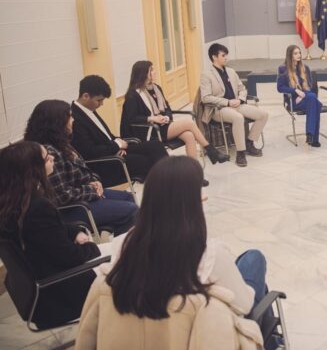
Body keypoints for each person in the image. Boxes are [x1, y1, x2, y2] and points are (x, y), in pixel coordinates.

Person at [76, 157, 278, 349]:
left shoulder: (122, 245)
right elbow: (244, 306)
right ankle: (273, 342)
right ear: (192, 201)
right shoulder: (210, 254)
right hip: (197, 335)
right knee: (254, 259)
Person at [0, 141, 102, 328]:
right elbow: (69, 257)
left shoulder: (12, 203)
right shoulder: (37, 207)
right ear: (32, 170)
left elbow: (47, 231)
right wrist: (92, 248)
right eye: (47, 158)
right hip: (59, 295)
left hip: (38, 288)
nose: (53, 158)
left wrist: (74, 232)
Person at [25, 100, 137, 236]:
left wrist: (95, 180)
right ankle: (121, 241)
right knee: (131, 210)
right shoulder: (48, 153)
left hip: (84, 196)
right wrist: (92, 190)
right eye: (70, 116)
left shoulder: (62, 143)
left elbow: (84, 168)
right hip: (73, 208)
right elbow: (62, 196)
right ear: (57, 123)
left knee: (128, 198)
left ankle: (115, 235)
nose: (73, 120)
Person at [120, 60, 229, 165]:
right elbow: (131, 118)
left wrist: (167, 117)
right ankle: (211, 151)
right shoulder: (133, 95)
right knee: (189, 123)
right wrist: (152, 118)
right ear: (144, 74)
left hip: (162, 125)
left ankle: (194, 170)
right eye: (151, 70)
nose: (155, 72)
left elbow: (167, 108)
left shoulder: (156, 88)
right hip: (149, 131)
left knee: (189, 136)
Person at [71, 75, 168, 182]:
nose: (101, 104)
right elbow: (89, 152)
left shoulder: (89, 109)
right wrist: (116, 146)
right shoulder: (75, 118)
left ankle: (171, 179)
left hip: (113, 151)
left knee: (156, 145)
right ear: (85, 96)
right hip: (105, 163)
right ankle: (169, 183)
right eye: (99, 100)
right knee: (148, 161)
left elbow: (106, 136)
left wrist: (118, 144)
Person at [201, 43, 270, 167]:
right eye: (223, 55)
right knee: (238, 118)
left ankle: (249, 143)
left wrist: (241, 100)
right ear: (214, 57)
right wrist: (227, 102)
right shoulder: (206, 74)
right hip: (219, 109)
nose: (226, 58)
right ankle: (240, 153)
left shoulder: (231, 71)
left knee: (263, 115)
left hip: (237, 105)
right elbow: (205, 98)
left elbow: (242, 89)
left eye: (226, 55)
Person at [277, 44, 324, 147]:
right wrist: (295, 91)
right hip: (293, 101)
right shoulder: (283, 69)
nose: (299, 55)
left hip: (306, 99)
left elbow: (310, 86)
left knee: (312, 100)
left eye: (299, 53)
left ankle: (310, 135)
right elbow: (280, 88)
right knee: (316, 103)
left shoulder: (305, 68)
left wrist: (303, 95)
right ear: (290, 55)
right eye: (295, 53)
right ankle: (313, 138)